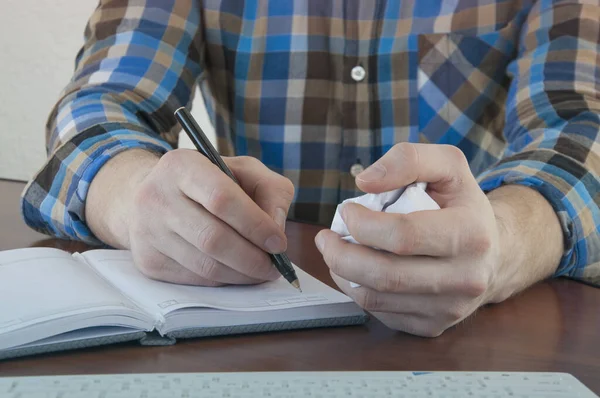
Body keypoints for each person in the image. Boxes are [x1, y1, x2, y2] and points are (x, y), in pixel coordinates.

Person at [22, 0, 599, 337]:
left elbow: (583, 128)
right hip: (251, 327)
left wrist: (504, 240)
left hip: (464, 330)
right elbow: (99, 105)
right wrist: (137, 194)